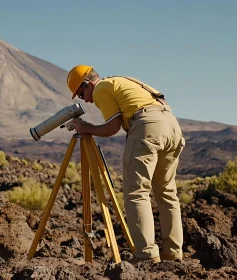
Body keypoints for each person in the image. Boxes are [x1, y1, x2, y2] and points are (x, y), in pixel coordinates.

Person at [66, 65, 185, 263]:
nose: (86, 100)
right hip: (171, 127)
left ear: (88, 84)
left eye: (81, 94)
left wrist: (87, 128)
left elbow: (112, 127)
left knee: (137, 192)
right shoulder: (121, 81)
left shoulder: (101, 87)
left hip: (147, 127)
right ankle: (173, 253)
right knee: (167, 193)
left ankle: (146, 255)